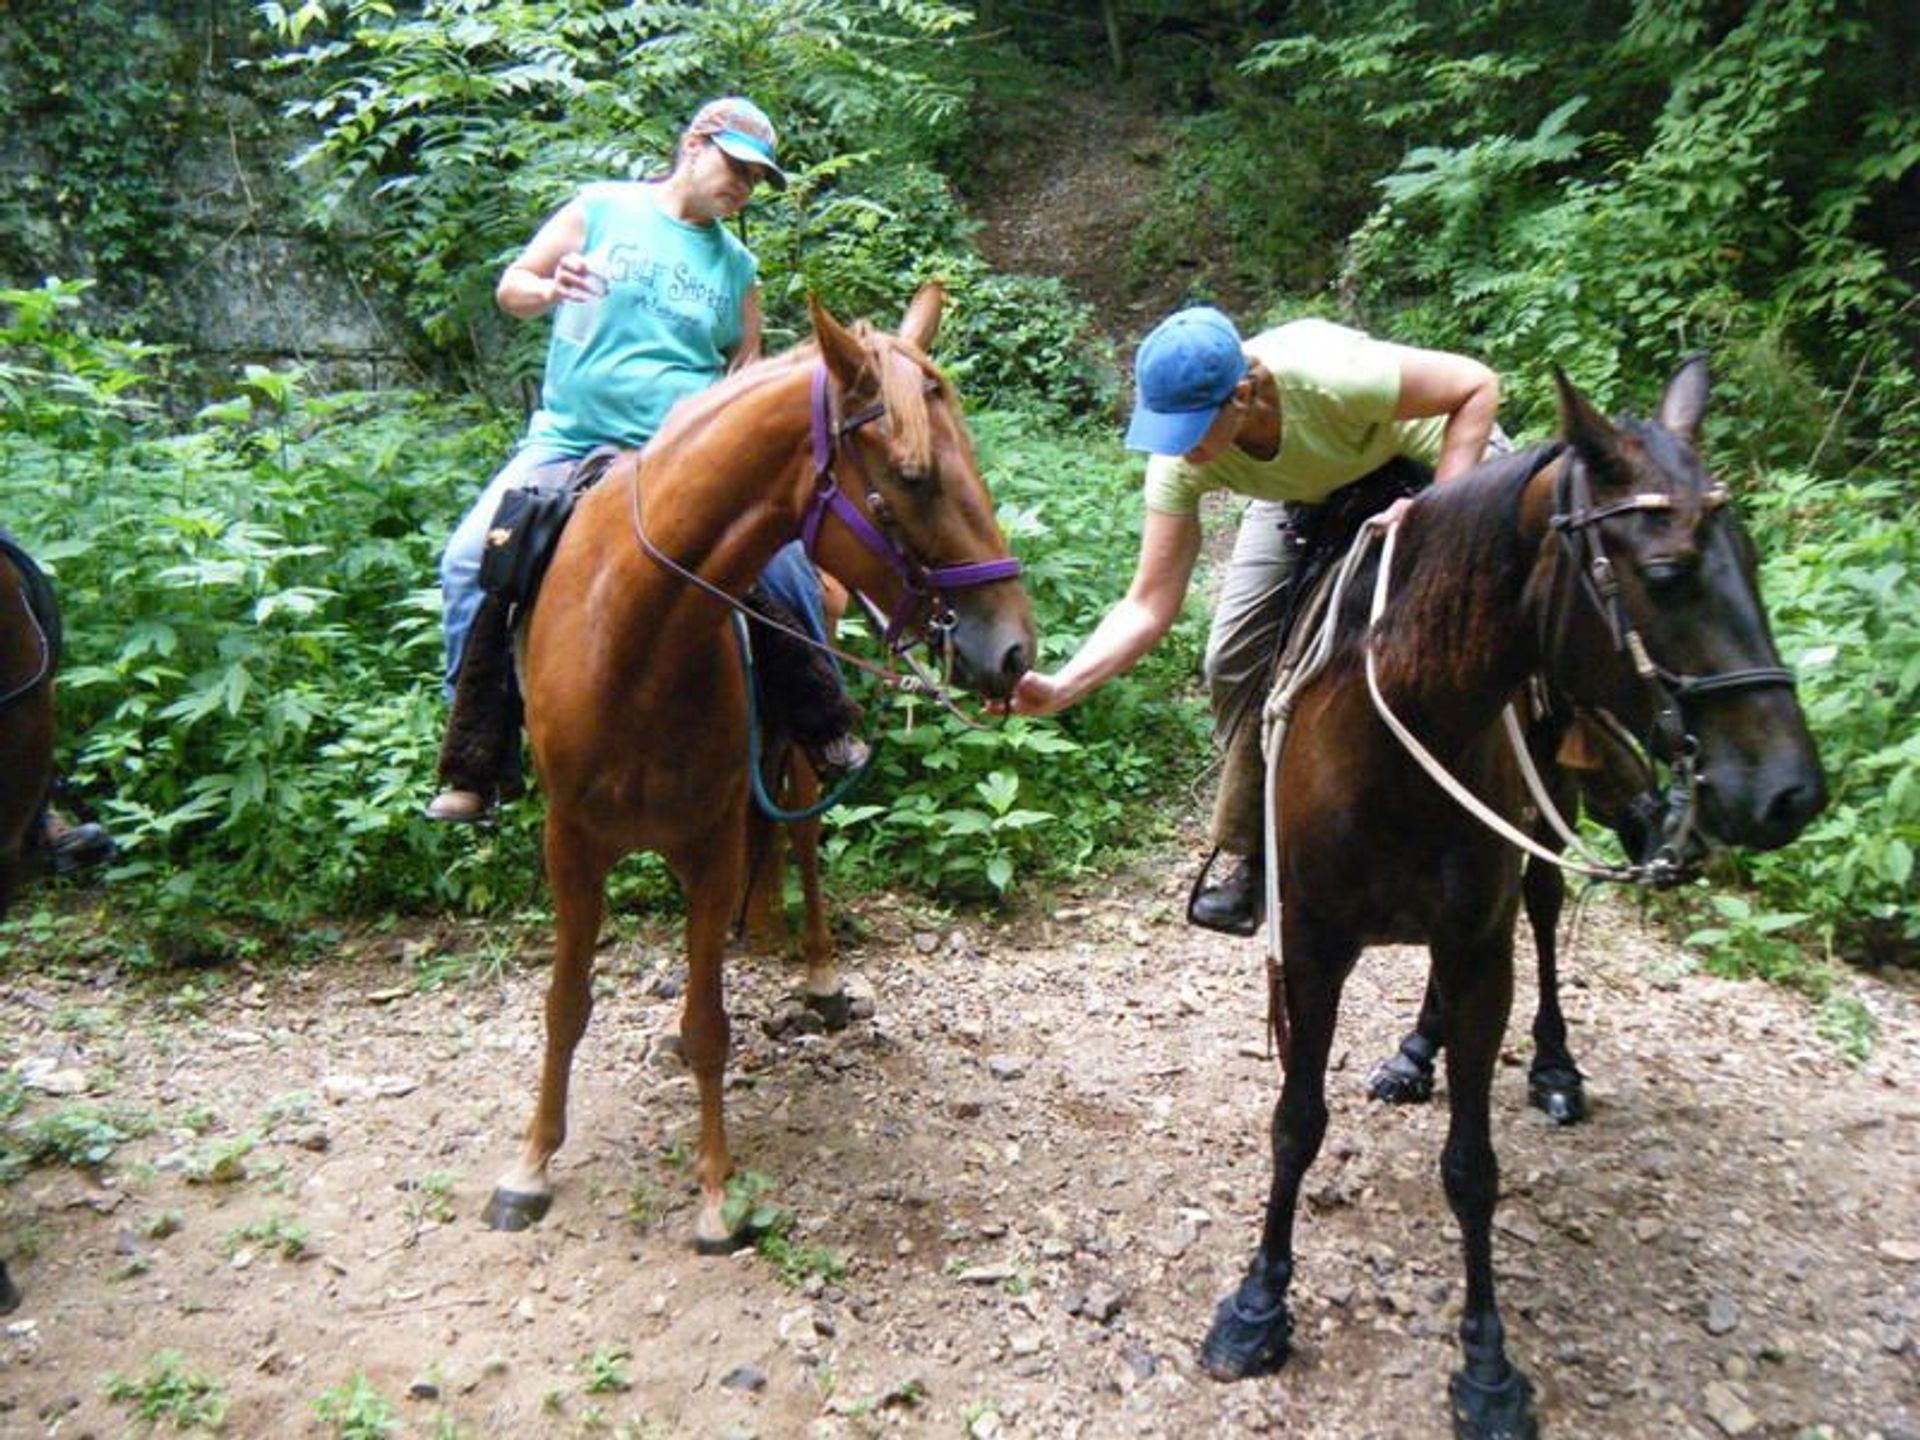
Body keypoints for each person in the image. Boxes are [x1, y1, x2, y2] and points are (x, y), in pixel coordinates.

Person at [428, 96, 866, 822]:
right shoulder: (602, 209)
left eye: (757, 181)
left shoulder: (737, 266)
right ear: (694, 145)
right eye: (737, 168)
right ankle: (479, 759)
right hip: (568, 443)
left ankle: (818, 732)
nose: (743, 188)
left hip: (679, 461)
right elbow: (513, 287)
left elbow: (744, 368)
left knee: (791, 577)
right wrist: (547, 288)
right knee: (472, 561)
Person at [1008, 306, 1501, 933]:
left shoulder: (1335, 378)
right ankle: (1257, 850)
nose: (1176, 444)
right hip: (1309, 493)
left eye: (1188, 426)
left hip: (1438, 463)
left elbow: (1475, 383)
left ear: (1242, 396)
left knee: (1487, 612)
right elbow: (1149, 601)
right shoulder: (1181, 460)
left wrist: (1440, 509)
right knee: (1232, 657)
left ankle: (1587, 771)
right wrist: (1062, 687)